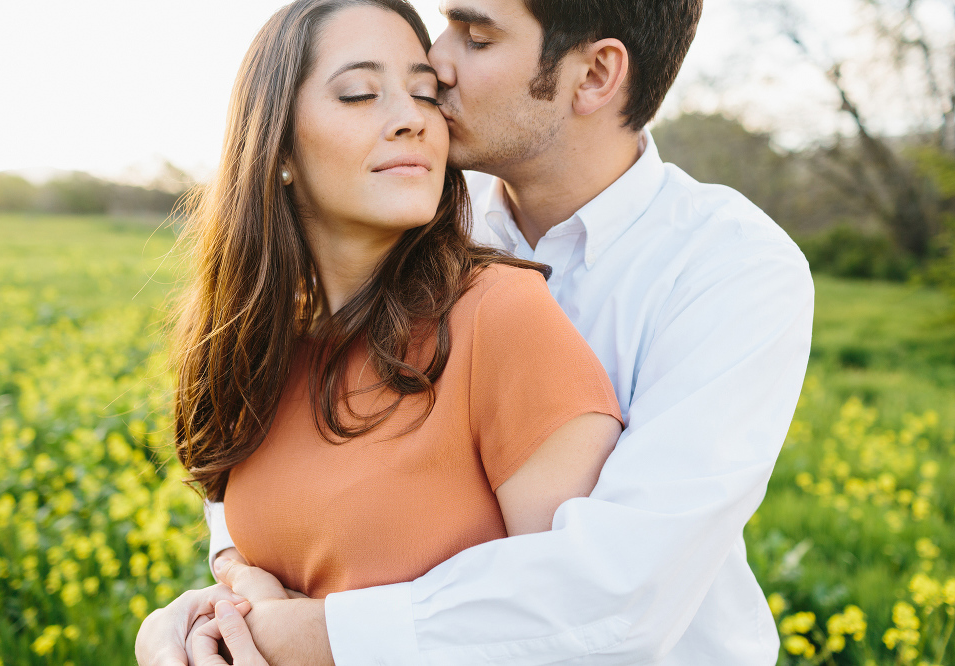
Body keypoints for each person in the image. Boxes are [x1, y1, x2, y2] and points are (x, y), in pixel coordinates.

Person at [139, 0, 816, 662]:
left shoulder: (731, 267)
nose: (437, 61)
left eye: (476, 35)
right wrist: (220, 596)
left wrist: (292, 635)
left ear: (593, 76)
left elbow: (614, 593)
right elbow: (281, 468)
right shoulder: (410, 231)